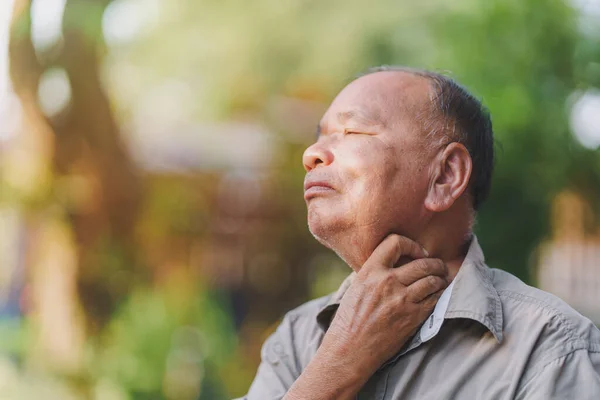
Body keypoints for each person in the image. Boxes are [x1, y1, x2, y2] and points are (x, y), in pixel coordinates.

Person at [237, 67, 600, 399]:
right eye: (320, 136)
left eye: (351, 131)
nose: (311, 153)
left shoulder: (550, 348)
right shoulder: (295, 341)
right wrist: (338, 365)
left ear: (445, 176)